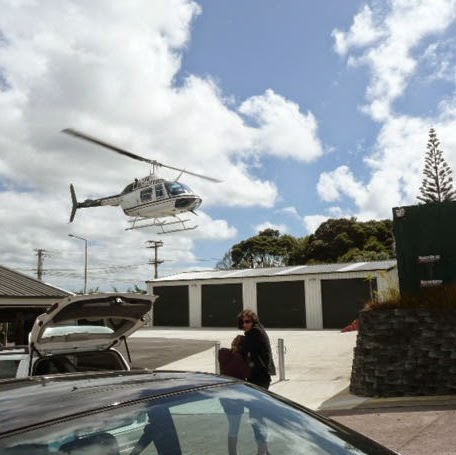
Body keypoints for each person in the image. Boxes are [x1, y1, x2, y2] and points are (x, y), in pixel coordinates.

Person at [237, 309, 276, 455]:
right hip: (259, 377)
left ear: (254, 321)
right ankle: (264, 449)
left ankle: (262, 449)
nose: (245, 325)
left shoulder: (255, 333)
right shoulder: (256, 332)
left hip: (260, 378)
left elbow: (245, 350)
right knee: (257, 414)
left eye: (248, 322)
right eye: (243, 322)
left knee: (256, 415)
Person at [218, 335, 251, 455]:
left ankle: (234, 451)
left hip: (224, 395)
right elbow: (247, 373)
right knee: (234, 428)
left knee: (232, 426)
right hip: (235, 397)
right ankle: (233, 453)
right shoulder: (239, 359)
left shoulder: (224, 354)